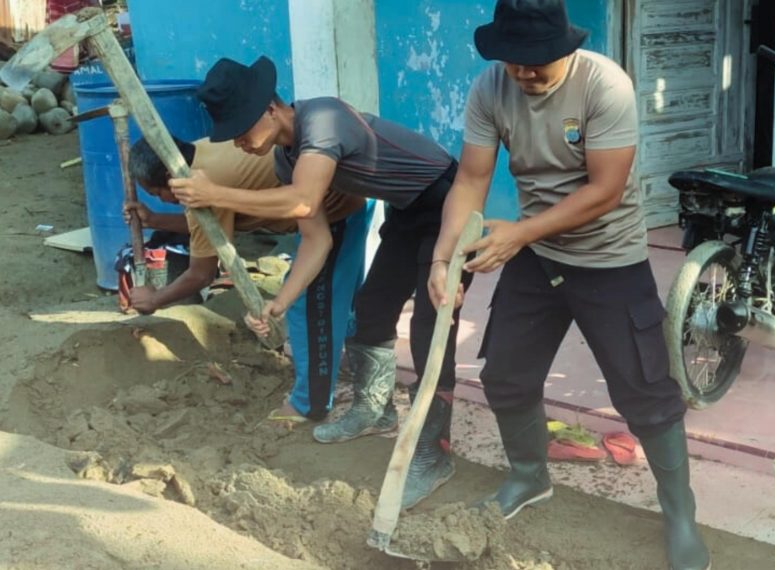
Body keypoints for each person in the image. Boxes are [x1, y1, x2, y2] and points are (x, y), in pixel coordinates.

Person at [427, 2, 709, 569]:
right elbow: (472, 178)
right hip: (536, 255)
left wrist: (519, 233)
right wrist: (443, 260)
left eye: (538, 63)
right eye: (515, 61)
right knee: (506, 375)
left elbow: (605, 189)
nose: (525, 73)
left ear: (567, 46)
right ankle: (529, 477)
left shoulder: (605, 85)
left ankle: (680, 513)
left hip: (610, 259)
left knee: (646, 395)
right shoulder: (490, 88)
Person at [168, 56, 469, 510]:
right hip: (407, 210)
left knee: (431, 328)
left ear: (271, 109)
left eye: (243, 131)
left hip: (447, 199)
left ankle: (434, 452)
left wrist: (214, 194)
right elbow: (316, 238)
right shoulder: (286, 159)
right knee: (371, 309)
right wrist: (281, 302)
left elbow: (304, 202)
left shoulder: (322, 117)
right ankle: (374, 408)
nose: (242, 144)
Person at [125, 135, 370, 424]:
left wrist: (154, 299)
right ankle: (356, 369)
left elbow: (201, 273)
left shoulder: (205, 186)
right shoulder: (201, 154)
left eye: (157, 193)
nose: (162, 200)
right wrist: (155, 220)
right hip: (346, 202)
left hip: (334, 213)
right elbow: (208, 224)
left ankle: (308, 405)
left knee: (310, 308)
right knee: (340, 300)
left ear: (169, 176)